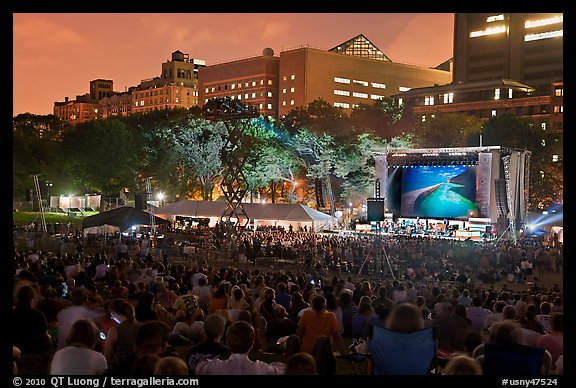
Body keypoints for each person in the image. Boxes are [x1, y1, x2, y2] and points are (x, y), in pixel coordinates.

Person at [195, 320, 285, 374]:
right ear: (252, 344)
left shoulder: (214, 367)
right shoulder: (261, 369)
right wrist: (273, 365)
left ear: (228, 343)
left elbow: (199, 367)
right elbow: (284, 369)